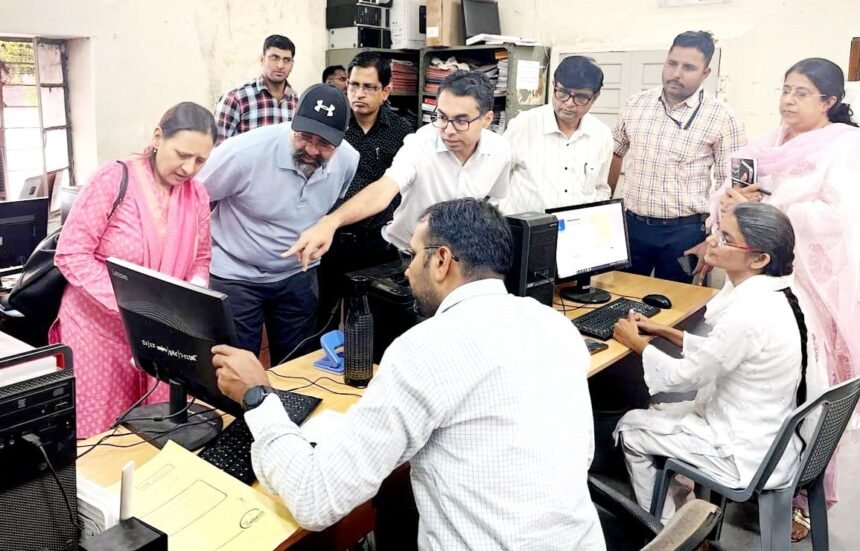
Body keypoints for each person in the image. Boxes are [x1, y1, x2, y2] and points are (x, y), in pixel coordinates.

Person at [212, 198, 605, 550]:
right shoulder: (555, 326)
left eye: (412, 255)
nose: (407, 271)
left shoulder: (428, 347)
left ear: (442, 260)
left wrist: (258, 396)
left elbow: (315, 500)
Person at [711, 57, 860, 541]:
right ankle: (745, 468)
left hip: (812, 286)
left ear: (829, 102)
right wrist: (730, 203)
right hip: (758, 275)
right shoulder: (765, 145)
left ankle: (800, 493)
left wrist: (769, 208)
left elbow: (839, 216)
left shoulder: (845, 145)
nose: (788, 101)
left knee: (806, 387)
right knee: (751, 381)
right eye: (785, 89)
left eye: (801, 93)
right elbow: (728, 195)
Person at [612, 202, 806, 523]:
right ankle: (686, 516)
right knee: (658, 413)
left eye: (726, 238)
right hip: (763, 433)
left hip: (741, 452)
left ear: (759, 259)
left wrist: (636, 343)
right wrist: (663, 331)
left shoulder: (748, 314)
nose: (712, 241)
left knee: (631, 428)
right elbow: (721, 353)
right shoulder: (774, 294)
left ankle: (671, 533)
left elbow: (683, 377)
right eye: (717, 230)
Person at [50, 102, 216, 437]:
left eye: (200, 160)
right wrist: (135, 308)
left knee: (157, 432)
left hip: (160, 334)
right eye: (182, 154)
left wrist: (193, 295)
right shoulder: (113, 180)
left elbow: (201, 258)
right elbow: (71, 253)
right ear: (158, 137)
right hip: (99, 334)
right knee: (101, 435)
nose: (189, 168)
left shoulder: (196, 195)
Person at [198, 84, 358, 368]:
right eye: (304, 136)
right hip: (236, 275)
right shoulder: (243, 153)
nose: (311, 150)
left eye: (324, 144)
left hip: (298, 274)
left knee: (296, 365)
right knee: (233, 366)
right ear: (293, 119)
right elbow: (194, 199)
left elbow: (334, 205)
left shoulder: (348, 160)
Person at [285, 70, 511, 268]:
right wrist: (331, 222)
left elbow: (493, 202)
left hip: (457, 260)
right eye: (442, 117)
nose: (448, 130)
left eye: (461, 121)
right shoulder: (421, 143)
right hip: (407, 254)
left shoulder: (500, 152)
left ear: (487, 119)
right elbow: (385, 189)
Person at [609, 31, 745, 283]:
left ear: (705, 73)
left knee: (675, 300)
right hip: (631, 227)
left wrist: (714, 238)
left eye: (689, 67)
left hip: (684, 234)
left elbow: (733, 186)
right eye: (672, 63)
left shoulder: (722, 117)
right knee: (618, 294)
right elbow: (615, 152)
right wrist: (607, 207)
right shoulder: (635, 105)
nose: (676, 73)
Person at [317, 52, 415, 324]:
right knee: (322, 317)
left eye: (369, 87)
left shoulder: (401, 130)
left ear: (386, 92)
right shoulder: (331, 125)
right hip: (332, 239)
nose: (359, 94)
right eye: (354, 85)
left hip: (378, 244)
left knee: (375, 320)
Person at [501, 55, 613, 213]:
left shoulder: (602, 135)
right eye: (562, 93)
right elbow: (496, 179)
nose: (569, 103)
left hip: (577, 226)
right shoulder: (523, 125)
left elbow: (600, 189)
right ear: (553, 85)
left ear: (595, 97)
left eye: (581, 97)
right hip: (525, 226)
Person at [214, 34, 298, 144]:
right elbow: (218, 148)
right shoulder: (236, 99)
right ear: (262, 60)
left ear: (292, 64)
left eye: (286, 60)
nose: (280, 65)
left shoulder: (298, 102)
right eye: (274, 58)